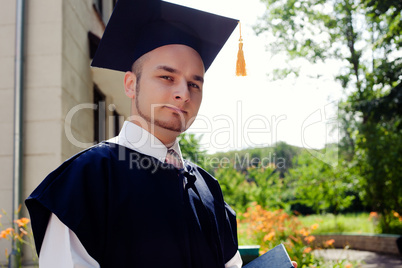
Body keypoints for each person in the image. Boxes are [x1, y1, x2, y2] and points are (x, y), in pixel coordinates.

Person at [26, 0, 242, 267]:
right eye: (167, 77)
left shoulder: (208, 189)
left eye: (194, 84)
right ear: (131, 84)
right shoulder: (85, 181)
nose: (183, 94)